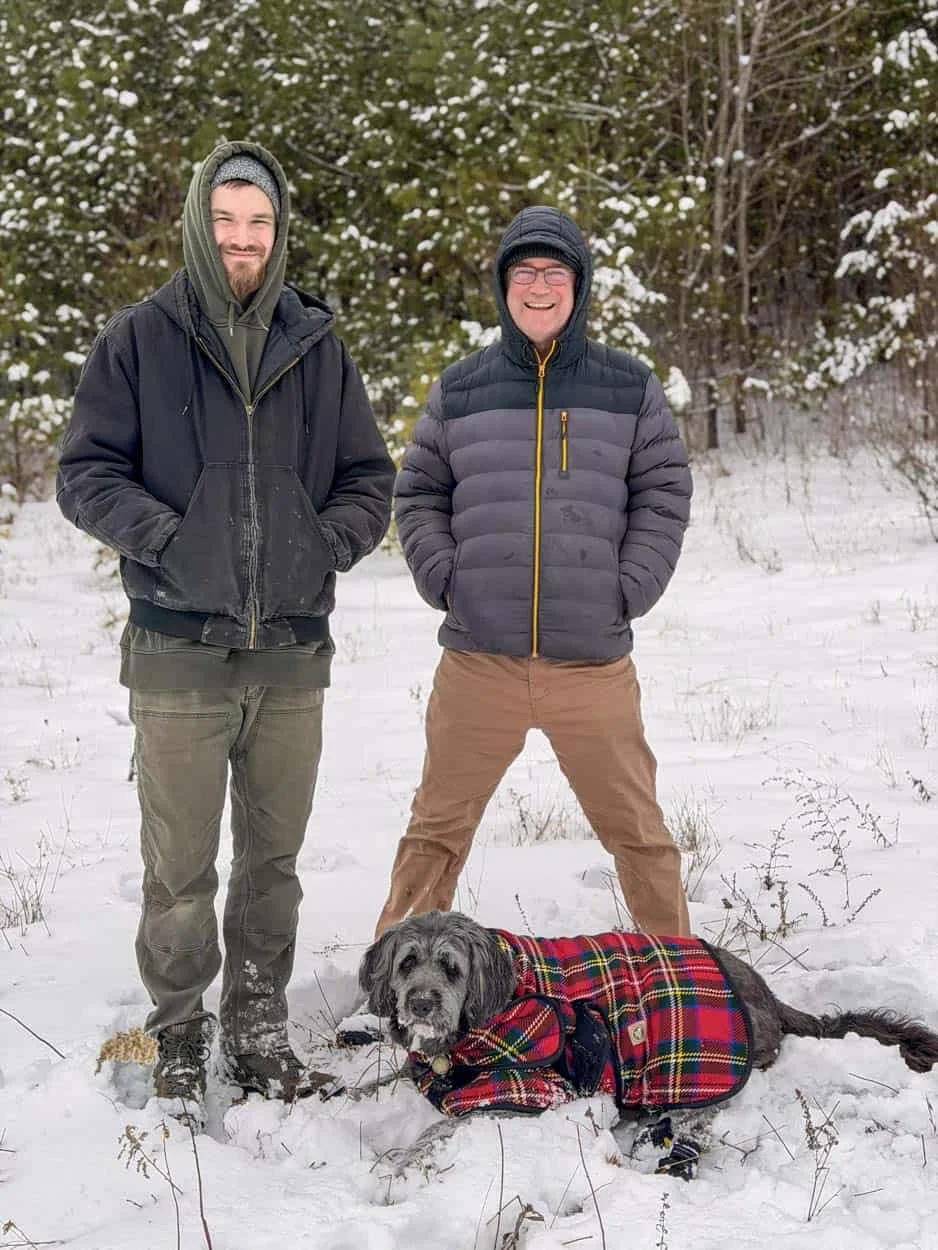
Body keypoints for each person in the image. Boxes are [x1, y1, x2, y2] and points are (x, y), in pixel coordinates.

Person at [57, 140, 395, 1121]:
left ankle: (256, 1027)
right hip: (178, 650)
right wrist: (171, 540)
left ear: (277, 233)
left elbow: (368, 478)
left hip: (290, 650)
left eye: (259, 223)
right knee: (179, 868)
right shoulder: (139, 339)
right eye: (226, 221)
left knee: (272, 861)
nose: (242, 239)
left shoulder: (317, 346)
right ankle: (176, 1032)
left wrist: (320, 545)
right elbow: (86, 472)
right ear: (199, 227)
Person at [375, 205, 692, 940]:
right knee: (435, 832)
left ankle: (679, 978)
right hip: (478, 658)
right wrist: (446, 580)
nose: (539, 286)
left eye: (555, 272)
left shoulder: (628, 385)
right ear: (503, 285)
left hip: (591, 661)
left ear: (579, 285)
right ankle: (393, 979)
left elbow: (664, 492)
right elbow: (418, 492)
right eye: (524, 272)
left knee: (639, 834)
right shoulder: (461, 388)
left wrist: (629, 587)